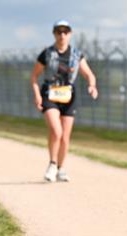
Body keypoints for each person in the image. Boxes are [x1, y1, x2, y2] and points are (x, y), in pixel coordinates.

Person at [30, 20, 98, 182]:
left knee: (65, 137)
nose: (62, 35)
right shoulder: (47, 54)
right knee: (56, 131)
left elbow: (89, 74)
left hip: (68, 96)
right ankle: (52, 164)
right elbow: (34, 76)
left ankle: (60, 168)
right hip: (50, 94)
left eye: (65, 31)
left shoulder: (76, 54)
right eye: (59, 31)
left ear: (70, 34)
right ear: (54, 34)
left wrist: (92, 86)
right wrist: (37, 95)